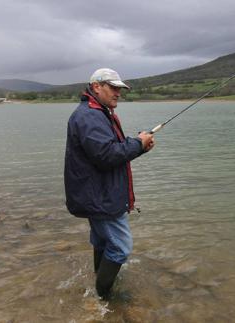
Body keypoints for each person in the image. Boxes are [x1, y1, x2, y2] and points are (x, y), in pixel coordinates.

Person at [64, 68, 155, 299]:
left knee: (104, 241)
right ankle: (104, 296)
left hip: (97, 193)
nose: (118, 93)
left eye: (120, 89)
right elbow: (106, 156)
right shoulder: (90, 116)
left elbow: (108, 152)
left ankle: (99, 282)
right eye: (113, 88)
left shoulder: (98, 112)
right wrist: (137, 144)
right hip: (100, 196)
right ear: (97, 87)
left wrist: (139, 146)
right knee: (121, 247)